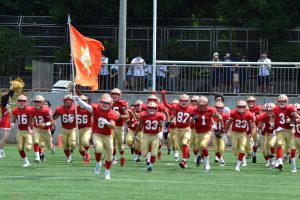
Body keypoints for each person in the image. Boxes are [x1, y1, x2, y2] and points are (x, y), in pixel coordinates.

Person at [75, 93, 120, 180]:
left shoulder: (112, 113)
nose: (104, 104)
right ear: (100, 102)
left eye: (107, 103)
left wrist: (107, 123)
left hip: (108, 136)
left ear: (110, 105)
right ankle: (98, 162)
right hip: (97, 134)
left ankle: (107, 171)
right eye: (103, 102)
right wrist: (78, 100)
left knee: (109, 156)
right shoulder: (96, 108)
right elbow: (86, 106)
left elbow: (113, 126)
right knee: (98, 148)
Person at [161, 90, 194, 169]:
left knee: (184, 143)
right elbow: (166, 105)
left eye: (185, 100)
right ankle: (186, 155)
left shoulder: (191, 109)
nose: (183, 102)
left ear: (188, 101)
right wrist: (163, 95)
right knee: (181, 146)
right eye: (182, 100)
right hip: (178, 130)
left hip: (187, 129)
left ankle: (184, 161)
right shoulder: (176, 106)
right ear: (179, 101)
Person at [192, 96, 223, 172]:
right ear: (198, 105)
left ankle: (207, 163)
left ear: (206, 105)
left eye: (203, 105)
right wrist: (193, 119)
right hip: (198, 133)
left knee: (203, 145)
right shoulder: (194, 110)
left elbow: (219, 117)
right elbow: (190, 124)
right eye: (200, 105)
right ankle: (200, 156)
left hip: (207, 132)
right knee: (200, 148)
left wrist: (222, 127)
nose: (202, 107)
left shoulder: (211, 110)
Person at [224, 100, 255, 171]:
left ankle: (238, 165)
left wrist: (251, 135)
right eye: (239, 107)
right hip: (235, 133)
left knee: (241, 149)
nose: (241, 108)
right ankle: (242, 160)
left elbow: (251, 126)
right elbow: (228, 124)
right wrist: (225, 133)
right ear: (236, 107)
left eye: (243, 107)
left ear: (245, 107)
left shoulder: (249, 114)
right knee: (235, 151)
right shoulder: (233, 113)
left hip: (243, 133)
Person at [271, 94, 300, 171]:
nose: (282, 103)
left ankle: (286, 156)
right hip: (280, 129)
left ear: (287, 101)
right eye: (280, 101)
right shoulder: (275, 109)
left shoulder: (291, 108)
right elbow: (273, 116)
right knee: (279, 144)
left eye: (283, 101)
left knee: (288, 149)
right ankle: (280, 162)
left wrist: (291, 121)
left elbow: (298, 119)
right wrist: (272, 123)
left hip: (289, 130)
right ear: (277, 101)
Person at [134, 101, 165, 172]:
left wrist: (161, 132)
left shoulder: (159, 116)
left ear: (156, 109)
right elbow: (139, 125)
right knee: (144, 153)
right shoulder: (143, 115)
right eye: (150, 108)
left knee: (154, 153)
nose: (151, 109)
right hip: (146, 135)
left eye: (153, 108)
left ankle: (150, 166)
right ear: (147, 109)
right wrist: (135, 134)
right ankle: (149, 160)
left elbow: (161, 126)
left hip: (155, 136)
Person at [29, 95, 54, 163]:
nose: (37, 103)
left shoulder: (47, 110)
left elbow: (52, 122)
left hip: (45, 130)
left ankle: (52, 146)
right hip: (36, 128)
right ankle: (37, 157)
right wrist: (29, 127)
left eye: (39, 102)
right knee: (36, 142)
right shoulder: (32, 110)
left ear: (42, 103)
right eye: (36, 101)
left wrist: (45, 124)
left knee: (49, 147)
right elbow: (30, 119)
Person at [53, 94, 76, 163]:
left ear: (72, 101)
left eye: (70, 100)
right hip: (64, 128)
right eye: (67, 100)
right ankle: (68, 157)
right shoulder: (60, 108)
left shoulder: (75, 108)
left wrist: (74, 117)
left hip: (72, 128)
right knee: (64, 145)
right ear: (64, 101)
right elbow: (54, 117)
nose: (68, 102)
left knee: (72, 143)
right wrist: (52, 122)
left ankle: (72, 148)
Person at [11, 95, 33, 167]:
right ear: (17, 102)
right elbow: (14, 118)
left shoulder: (29, 109)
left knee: (28, 146)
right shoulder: (15, 110)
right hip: (20, 131)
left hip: (28, 130)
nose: (21, 103)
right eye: (20, 101)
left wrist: (30, 127)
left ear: (26, 102)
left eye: (23, 101)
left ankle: (38, 152)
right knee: (20, 147)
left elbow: (33, 119)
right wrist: (13, 123)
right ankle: (26, 161)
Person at [110, 88, 129, 166]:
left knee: (120, 145)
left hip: (119, 126)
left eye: (117, 94)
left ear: (119, 95)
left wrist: (119, 115)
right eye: (113, 94)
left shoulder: (122, 103)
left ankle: (122, 156)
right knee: (111, 143)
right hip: (110, 126)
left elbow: (127, 116)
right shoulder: (107, 102)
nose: (115, 95)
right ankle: (114, 158)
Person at [76, 95, 92, 165]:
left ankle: (87, 153)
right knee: (79, 147)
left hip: (87, 128)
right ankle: (84, 157)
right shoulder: (75, 108)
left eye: (84, 101)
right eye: (81, 100)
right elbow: (72, 115)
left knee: (85, 141)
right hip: (78, 129)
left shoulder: (89, 109)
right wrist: (71, 119)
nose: (82, 102)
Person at [212, 101, 229, 166]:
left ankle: (221, 160)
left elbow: (228, 124)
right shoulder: (212, 115)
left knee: (221, 148)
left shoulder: (225, 115)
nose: (218, 109)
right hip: (214, 132)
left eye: (220, 108)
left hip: (222, 133)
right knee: (216, 149)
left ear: (223, 108)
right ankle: (222, 161)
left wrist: (227, 132)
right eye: (217, 107)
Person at [0, 89, 14, 158]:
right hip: (4, 121)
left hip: (8, 121)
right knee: (4, 137)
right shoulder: (3, 104)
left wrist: (14, 88)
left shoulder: (8, 103)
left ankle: (2, 150)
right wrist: (11, 90)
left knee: (6, 138)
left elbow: (10, 95)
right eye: (8, 98)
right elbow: (7, 96)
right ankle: (0, 150)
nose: (9, 99)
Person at [290, 103, 300, 172]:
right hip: (295, 137)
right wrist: (292, 131)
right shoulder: (293, 119)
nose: (297, 112)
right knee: (292, 151)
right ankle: (294, 168)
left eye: (299, 110)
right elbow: (292, 127)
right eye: (296, 111)